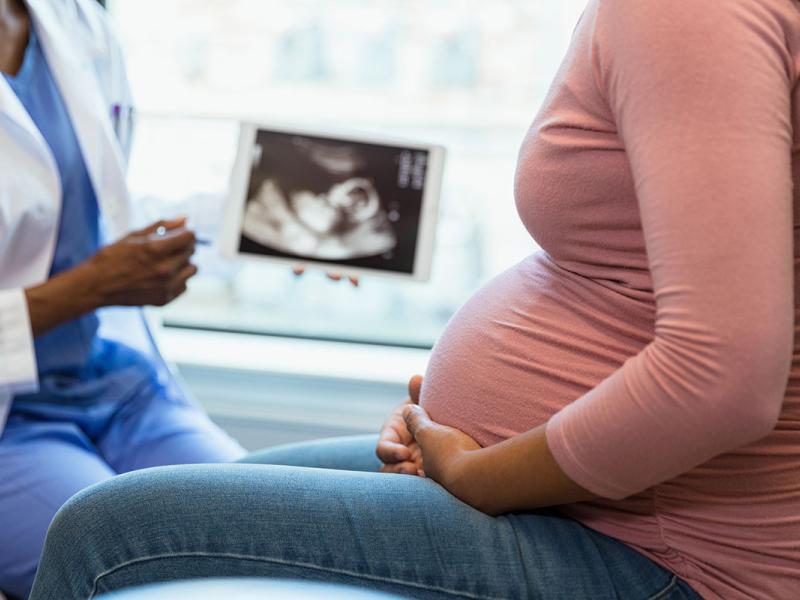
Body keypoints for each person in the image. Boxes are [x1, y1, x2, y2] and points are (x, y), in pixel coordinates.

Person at [29, 0, 800, 599]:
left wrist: (481, 470)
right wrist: (472, 417)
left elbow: (722, 379)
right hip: (603, 497)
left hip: (672, 549)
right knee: (205, 491)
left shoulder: (689, 16)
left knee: (105, 531)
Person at [0, 0, 251, 596]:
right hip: (14, 425)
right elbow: (95, 266)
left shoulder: (72, 17)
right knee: (155, 585)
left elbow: (99, 213)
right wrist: (93, 287)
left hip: (114, 386)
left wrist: (265, 229)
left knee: (275, 541)